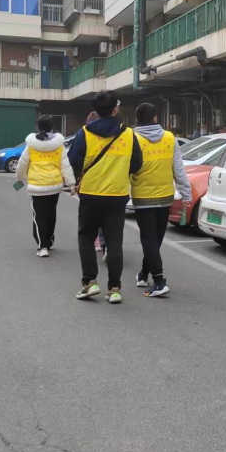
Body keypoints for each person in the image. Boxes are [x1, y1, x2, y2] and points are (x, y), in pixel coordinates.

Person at [67, 91, 143, 304]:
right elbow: (137, 163)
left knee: (86, 237)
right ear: (115, 109)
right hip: (117, 194)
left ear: (96, 110)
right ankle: (115, 289)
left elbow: (73, 162)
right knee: (114, 241)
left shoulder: (84, 133)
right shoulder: (128, 134)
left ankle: (89, 283)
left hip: (91, 194)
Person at [131, 103, 192, 297]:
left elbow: (127, 168)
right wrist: (186, 194)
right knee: (155, 238)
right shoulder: (169, 138)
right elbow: (178, 168)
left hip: (143, 197)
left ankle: (159, 281)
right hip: (165, 196)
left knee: (149, 239)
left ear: (138, 119)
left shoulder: (132, 138)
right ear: (155, 118)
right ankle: (143, 274)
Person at [15, 116, 76, 257]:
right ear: (52, 127)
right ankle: (49, 241)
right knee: (51, 214)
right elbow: (65, 165)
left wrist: (19, 180)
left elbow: (22, 165)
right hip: (54, 185)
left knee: (39, 216)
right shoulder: (59, 145)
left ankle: (42, 247)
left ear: (39, 127)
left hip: (37, 186)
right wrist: (71, 184)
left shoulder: (31, 146)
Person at [85, 110, 107, 259]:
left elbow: (76, 160)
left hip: (91, 184)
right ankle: (106, 243)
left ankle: (96, 242)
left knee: (92, 217)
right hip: (110, 183)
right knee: (107, 217)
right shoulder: (116, 135)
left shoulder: (85, 135)